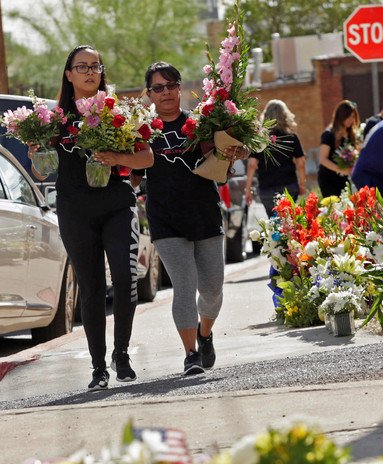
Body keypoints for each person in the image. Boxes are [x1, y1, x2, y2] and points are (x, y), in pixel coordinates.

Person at [33, 45, 154, 391]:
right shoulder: (53, 120)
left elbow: (146, 159)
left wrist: (115, 155)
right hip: (74, 210)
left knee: (126, 277)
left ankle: (122, 354)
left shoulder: (120, 114)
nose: (89, 71)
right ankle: (98, 366)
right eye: (81, 66)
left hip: (117, 205)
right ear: (68, 74)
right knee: (91, 288)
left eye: (95, 66)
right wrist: (36, 153)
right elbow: (41, 171)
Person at [130, 62, 248, 376]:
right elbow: (133, 177)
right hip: (165, 220)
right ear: (150, 94)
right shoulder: (142, 130)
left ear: (180, 88)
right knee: (184, 284)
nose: (166, 92)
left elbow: (225, 160)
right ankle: (190, 354)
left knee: (212, 290)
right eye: (158, 87)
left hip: (205, 213)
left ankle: (205, 334)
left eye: (171, 85)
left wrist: (234, 152)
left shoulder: (202, 124)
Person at [245, 99, 307, 213]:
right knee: (290, 225)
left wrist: (248, 190)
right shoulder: (291, 137)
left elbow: (252, 164)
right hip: (289, 186)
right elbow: (301, 163)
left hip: (266, 188)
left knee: (273, 224)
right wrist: (302, 184)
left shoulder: (259, 139)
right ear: (285, 115)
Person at [318, 100, 360, 198]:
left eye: (353, 117)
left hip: (344, 179)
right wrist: (341, 170)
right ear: (341, 116)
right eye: (348, 117)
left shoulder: (351, 134)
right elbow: (323, 159)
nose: (351, 120)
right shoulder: (328, 134)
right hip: (329, 179)